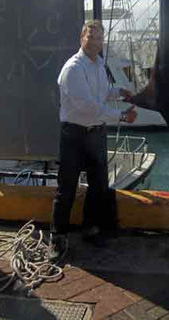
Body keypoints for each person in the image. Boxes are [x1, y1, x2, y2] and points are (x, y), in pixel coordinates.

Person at [49, 19, 137, 262]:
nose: (95, 42)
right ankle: (57, 236)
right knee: (66, 188)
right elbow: (88, 106)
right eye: (91, 37)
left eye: (99, 38)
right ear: (81, 38)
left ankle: (90, 228)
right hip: (74, 135)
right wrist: (121, 115)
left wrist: (119, 92)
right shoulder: (72, 69)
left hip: (96, 134)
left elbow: (100, 93)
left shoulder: (98, 64)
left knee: (98, 186)